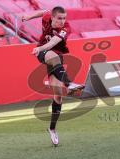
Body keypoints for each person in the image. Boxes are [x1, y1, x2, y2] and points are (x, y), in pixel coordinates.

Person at [22, 6, 84, 146]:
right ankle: (69, 83)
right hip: (44, 53)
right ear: (52, 17)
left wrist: (40, 48)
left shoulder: (65, 28)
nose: (62, 21)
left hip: (52, 54)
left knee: (58, 96)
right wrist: (28, 16)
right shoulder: (46, 16)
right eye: (59, 18)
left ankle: (52, 128)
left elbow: (52, 43)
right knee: (53, 56)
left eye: (64, 18)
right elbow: (42, 12)